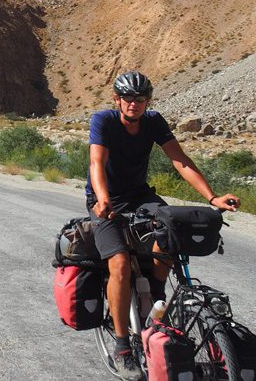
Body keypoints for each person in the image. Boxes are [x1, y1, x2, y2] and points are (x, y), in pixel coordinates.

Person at [87, 70, 240, 380]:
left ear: (147, 101)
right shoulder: (103, 121)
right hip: (106, 202)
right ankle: (122, 346)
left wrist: (212, 198)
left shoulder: (153, 121)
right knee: (119, 264)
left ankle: (155, 293)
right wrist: (102, 198)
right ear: (118, 100)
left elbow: (179, 160)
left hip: (141, 196)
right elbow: (97, 163)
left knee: (172, 230)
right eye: (128, 98)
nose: (134, 103)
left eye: (140, 99)